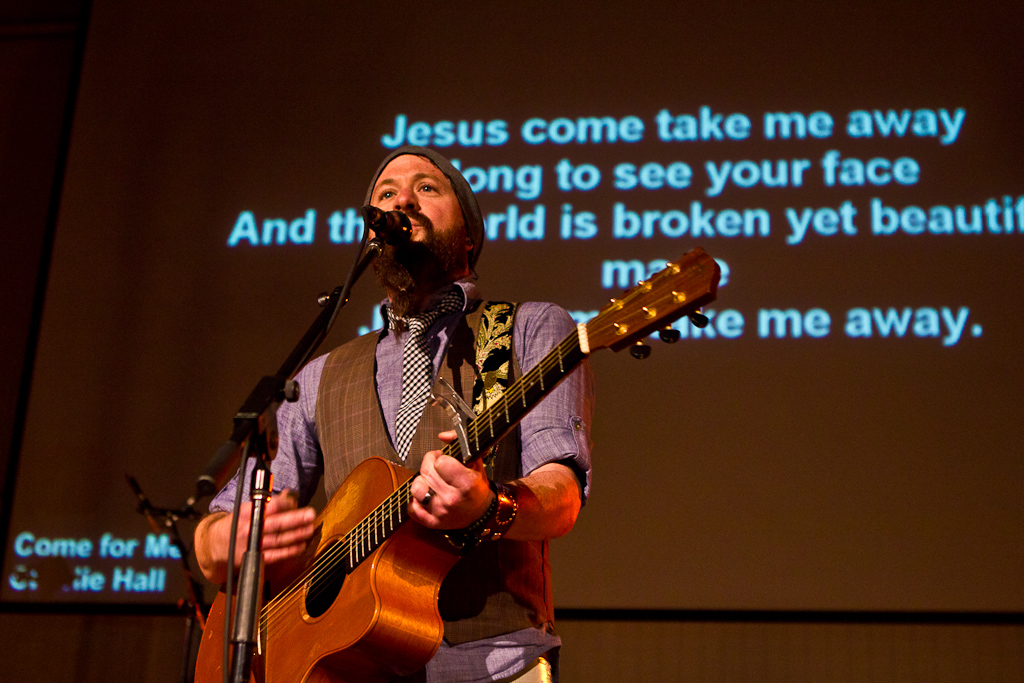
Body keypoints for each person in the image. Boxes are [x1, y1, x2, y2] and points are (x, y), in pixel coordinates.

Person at [194, 146, 594, 682]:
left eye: (427, 188)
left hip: (494, 664)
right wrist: (217, 542)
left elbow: (561, 496)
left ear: (469, 235)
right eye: (386, 194)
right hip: (350, 670)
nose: (402, 198)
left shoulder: (528, 329)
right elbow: (222, 530)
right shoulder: (318, 376)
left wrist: (488, 506)